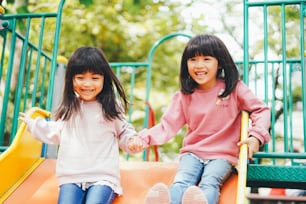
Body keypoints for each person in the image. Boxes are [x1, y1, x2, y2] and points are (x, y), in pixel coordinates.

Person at [130, 34, 271, 204]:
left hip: (222, 155)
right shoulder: (184, 96)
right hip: (193, 153)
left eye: (206, 59)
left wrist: (255, 137)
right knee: (182, 181)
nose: (199, 65)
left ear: (219, 62)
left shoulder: (233, 89)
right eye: (193, 60)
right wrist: (143, 138)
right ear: (186, 64)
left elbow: (261, 110)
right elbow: (167, 127)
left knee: (210, 182)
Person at [19, 46, 143, 204]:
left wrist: (131, 141)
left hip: (102, 177)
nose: (87, 84)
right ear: (71, 79)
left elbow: (124, 131)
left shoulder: (110, 106)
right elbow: (55, 131)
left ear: (104, 79)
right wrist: (33, 124)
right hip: (72, 177)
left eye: (95, 78)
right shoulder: (70, 108)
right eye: (80, 77)